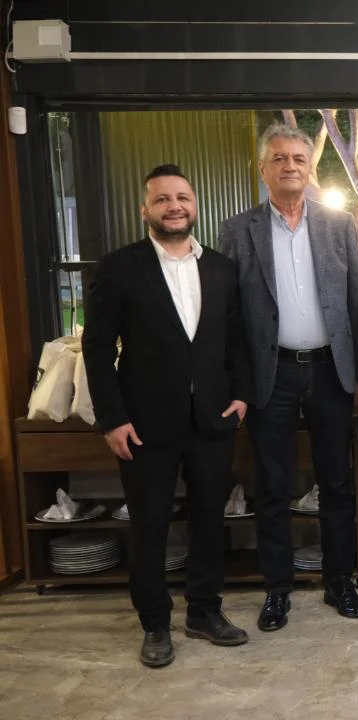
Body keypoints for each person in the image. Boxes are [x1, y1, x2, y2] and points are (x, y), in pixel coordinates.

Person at [83, 164, 252, 668]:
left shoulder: (221, 268)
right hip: (143, 424)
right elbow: (97, 348)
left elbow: (236, 338)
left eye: (182, 197)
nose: (173, 206)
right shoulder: (119, 267)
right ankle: (155, 622)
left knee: (209, 520)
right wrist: (112, 419)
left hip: (213, 419)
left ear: (195, 205)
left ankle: (204, 611)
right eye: (162, 199)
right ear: (145, 210)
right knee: (150, 525)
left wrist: (242, 395)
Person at [219, 124, 358, 632]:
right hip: (271, 373)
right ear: (263, 169)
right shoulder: (237, 230)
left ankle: (339, 580)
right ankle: (277, 589)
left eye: (299, 159)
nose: (290, 166)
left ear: (310, 168)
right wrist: (237, 384)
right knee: (272, 485)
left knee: (337, 481)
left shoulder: (339, 225)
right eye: (279, 158)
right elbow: (230, 317)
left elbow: (355, 303)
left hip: (330, 370)